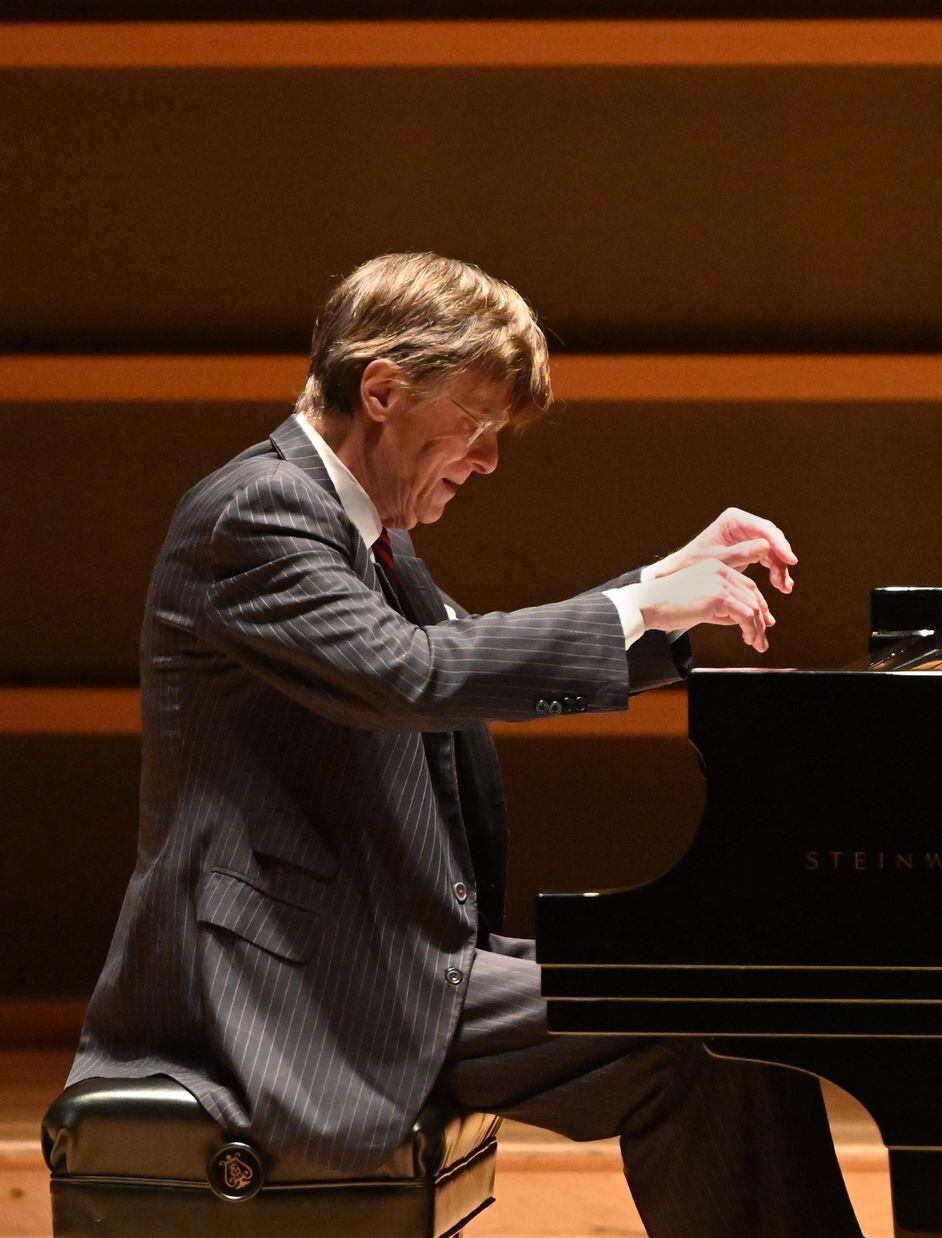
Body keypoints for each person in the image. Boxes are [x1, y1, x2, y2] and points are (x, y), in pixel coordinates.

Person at [66, 252, 863, 1236]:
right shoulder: (259, 513)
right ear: (382, 391)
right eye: (476, 424)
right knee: (698, 1032)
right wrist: (641, 605)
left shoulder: (359, 531)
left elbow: (463, 650)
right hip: (289, 986)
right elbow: (413, 675)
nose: (487, 460)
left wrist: (660, 584)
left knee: (717, 1003)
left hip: (371, 950)